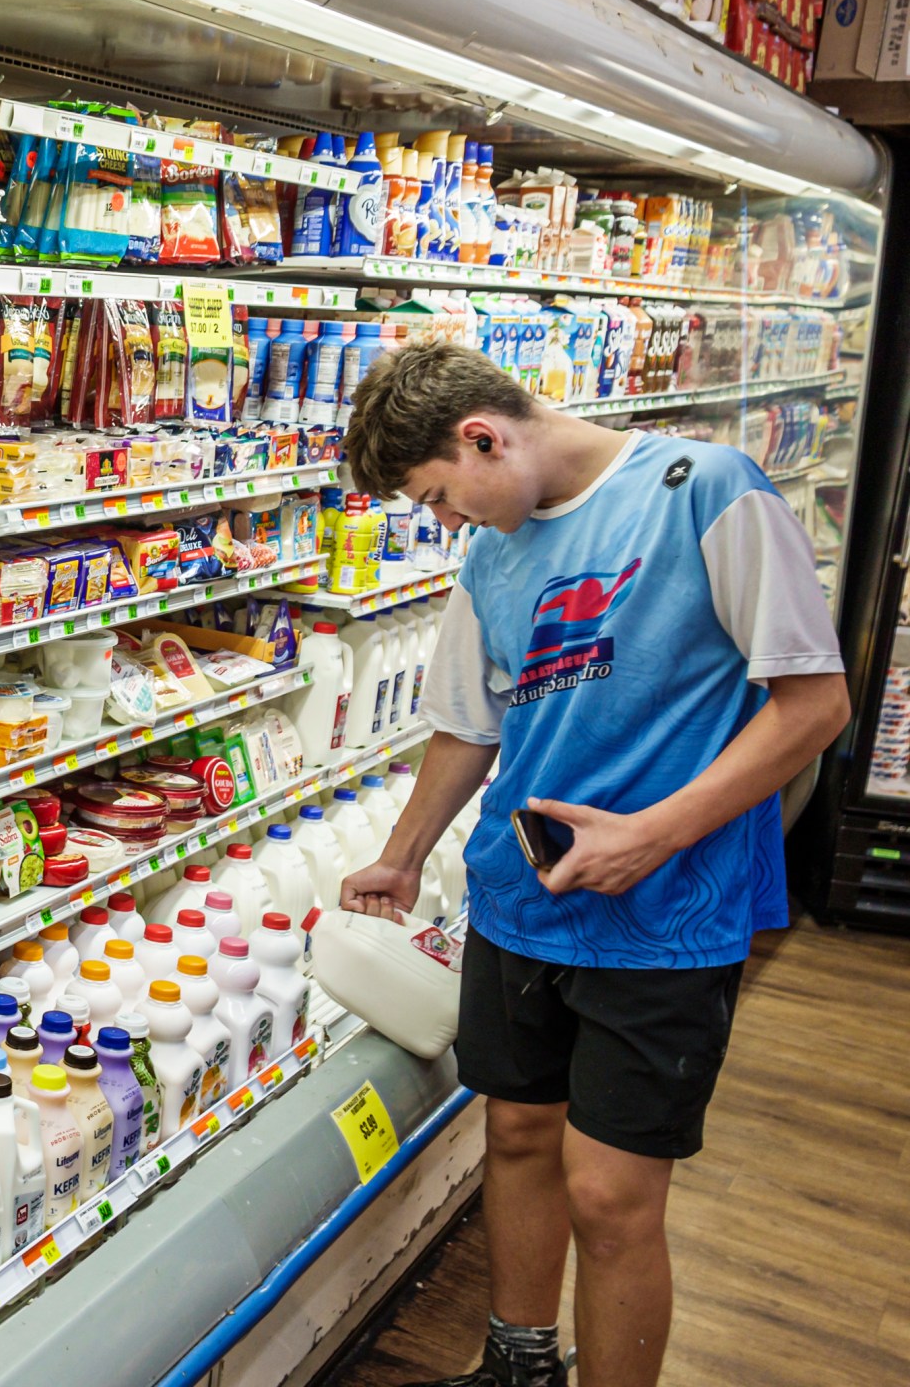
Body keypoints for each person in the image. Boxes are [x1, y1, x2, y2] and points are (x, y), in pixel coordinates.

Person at [334, 342, 848, 1387]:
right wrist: (400, 858)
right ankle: (519, 1366)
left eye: (440, 495)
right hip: (522, 901)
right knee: (517, 1135)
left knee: (613, 1196)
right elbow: (466, 727)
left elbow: (814, 706)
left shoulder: (703, 494)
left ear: (483, 435)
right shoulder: (493, 555)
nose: (445, 524)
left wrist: (654, 832)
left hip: (665, 912)